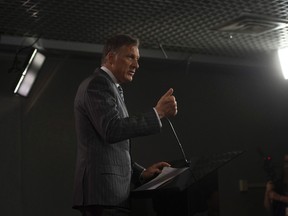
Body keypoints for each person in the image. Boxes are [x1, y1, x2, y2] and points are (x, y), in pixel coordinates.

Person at [72, 34, 178, 216]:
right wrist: (158, 113)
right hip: (103, 194)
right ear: (111, 57)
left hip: (111, 195)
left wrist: (141, 174)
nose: (136, 65)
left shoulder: (112, 87)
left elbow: (112, 149)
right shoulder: (98, 84)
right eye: (130, 57)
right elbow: (112, 130)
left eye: (137, 59)